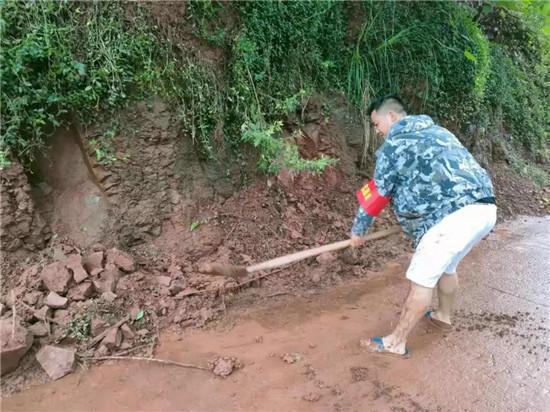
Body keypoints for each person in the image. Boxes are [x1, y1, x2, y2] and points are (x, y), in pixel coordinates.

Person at [351, 94, 496, 357]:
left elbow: (376, 194)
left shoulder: (395, 144)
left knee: (421, 278)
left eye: (376, 124)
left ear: (391, 116)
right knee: (446, 267)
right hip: (484, 208)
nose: (377, 131)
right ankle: (443, 316)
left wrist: (357, 232)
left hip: (451, 218)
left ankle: (396, 342)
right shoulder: (438, 131)